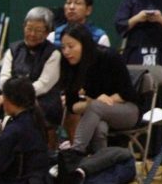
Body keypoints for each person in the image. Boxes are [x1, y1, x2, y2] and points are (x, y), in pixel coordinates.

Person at [60, 23, 139, 154]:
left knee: (95, 107)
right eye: (63, 47)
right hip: (95, 112)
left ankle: (75, 153)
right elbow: (71, 105)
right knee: (99, 128)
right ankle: (99, 167)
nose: (66, 52)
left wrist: (99, 102)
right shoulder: (68, 64)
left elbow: (128, 93)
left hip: (127, 109)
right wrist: (92, 103)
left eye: (71, 46)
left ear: (84, 44)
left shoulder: (109, 57)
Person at [0, 7, 63, 141]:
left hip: (42, 102)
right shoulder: (14, 49)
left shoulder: (53, 53)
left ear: (48, 32)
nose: (32, 34)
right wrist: (10, 95)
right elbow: (4, 79)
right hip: (12, 99)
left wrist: (15, 97)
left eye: (38, 30)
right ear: (23, 27)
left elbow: (43, 85)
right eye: (29, 28)